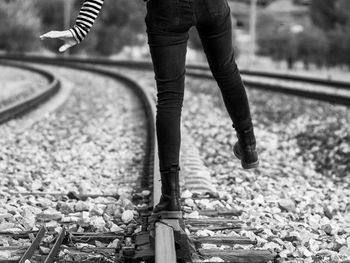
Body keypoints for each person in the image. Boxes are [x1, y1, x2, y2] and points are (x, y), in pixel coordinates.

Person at [40, 0, 259, 219]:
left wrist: (80, 30)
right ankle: (248, 145)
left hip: (167, 10)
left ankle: (171, 197)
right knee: (227, 71)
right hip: (211, 5)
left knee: (170, 96)